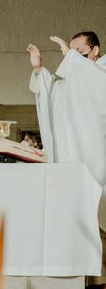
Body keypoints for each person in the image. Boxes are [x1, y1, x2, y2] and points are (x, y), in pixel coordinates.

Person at [28, 32, 106, 190]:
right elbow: (50, 92)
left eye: (79, 52)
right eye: (71, 53)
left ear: (95, 50)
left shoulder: (101, 72)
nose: (71, 57)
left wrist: (71, 56)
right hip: (67, 157)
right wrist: (39, 68)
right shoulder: (69, 81)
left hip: (94, 158)